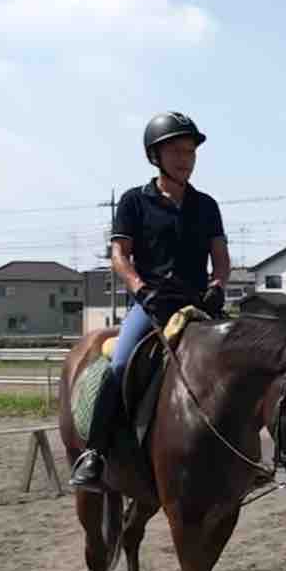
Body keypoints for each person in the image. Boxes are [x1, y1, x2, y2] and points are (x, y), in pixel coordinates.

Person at [70, 111, 230, 490]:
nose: (185, 159)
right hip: (152, 304)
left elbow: (221, 259)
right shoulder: (133, 202)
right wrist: (141, 289)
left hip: (198, 304)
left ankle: (242, 452)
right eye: (176, 151)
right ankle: (95, 454)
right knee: (121, 364)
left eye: (190, 152)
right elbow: (119, 257)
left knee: (234, 364)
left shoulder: (206, 205)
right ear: (154, 156)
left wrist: (218, 285)